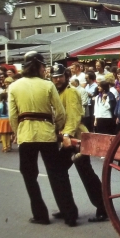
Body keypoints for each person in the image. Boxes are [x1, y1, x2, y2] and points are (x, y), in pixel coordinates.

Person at [8, 51, 78, 227]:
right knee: (57, 174)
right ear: (39, 66)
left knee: (29, 176)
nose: (45, 69)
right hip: (47, 134)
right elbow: (60, 113)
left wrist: (18, 132)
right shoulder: (48, 86)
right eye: (43, 66)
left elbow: (12, 116)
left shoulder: (14, 87)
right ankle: (70, 215)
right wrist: (56, 129)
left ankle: (40, 215)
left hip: (26, 135)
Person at [50, 64, 108, 223]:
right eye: (55, 77)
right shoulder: (55, 93)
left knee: (85, 174)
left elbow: (74, 117)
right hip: (65, 139)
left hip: (76, 139)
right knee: (60, 172)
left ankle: (103, 208)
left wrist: (67, 134)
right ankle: (66, 208)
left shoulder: (71, 92)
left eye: (60, 76)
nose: (57, 79)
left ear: (66, 76)